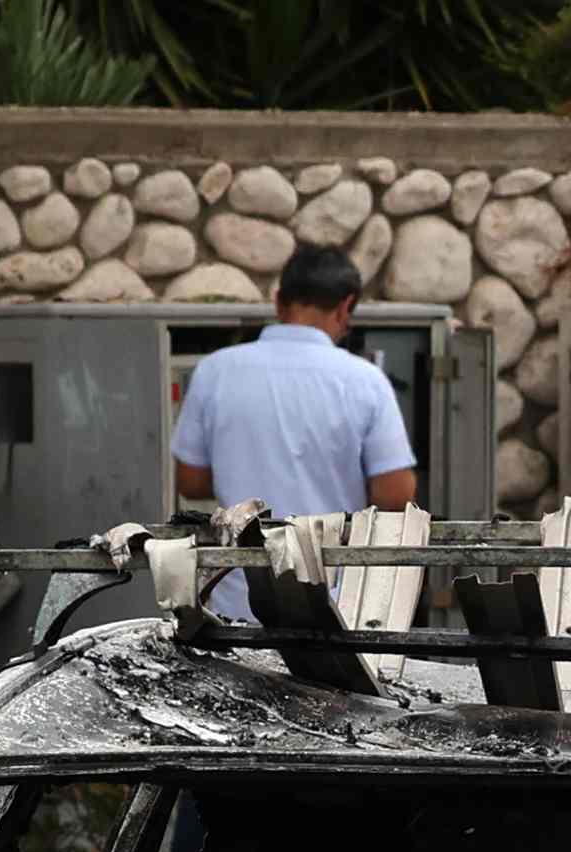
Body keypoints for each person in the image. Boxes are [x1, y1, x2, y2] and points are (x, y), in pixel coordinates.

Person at [169, 244, 421, 615]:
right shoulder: (365, 381)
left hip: (238, 601)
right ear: (345, 306)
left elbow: (190, 482)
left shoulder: (215, 371)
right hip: (332, 604)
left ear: (278, 302)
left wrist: (246, 472)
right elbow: (396, 493)